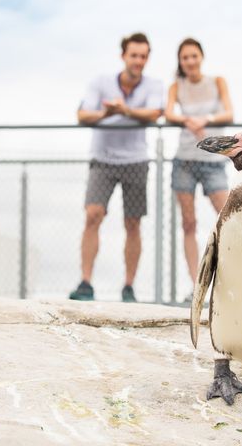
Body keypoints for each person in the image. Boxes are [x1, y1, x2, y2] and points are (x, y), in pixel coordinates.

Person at [69, 32, 164, 302]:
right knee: (93, 215)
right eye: (134, 55)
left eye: (143, 56)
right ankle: (86, 282)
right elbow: (82, 115)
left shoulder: (154, 85)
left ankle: (128, 287)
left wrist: (125, 110)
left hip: (136, 160)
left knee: (132, 223)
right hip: (103, 159)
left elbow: (155, 112)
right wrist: (106, 114)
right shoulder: (100, 82)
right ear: (123, 56)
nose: (138, 60)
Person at [164, 38, 234, 301]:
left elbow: (229, 112)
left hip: (214, 160)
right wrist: (187, 121)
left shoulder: (217, 82)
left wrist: (207, 119)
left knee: (228, 219)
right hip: (185, 161)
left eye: (194, 56)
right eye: (185, 58)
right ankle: (197, 286)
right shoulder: (176, 86)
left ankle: (228, 278)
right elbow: (169, 114)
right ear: (180, 62)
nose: (190, 61)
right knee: (189, 224)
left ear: (201, 57)